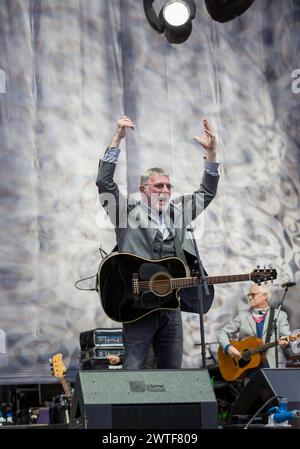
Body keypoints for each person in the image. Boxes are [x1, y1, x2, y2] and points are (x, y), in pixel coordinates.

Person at [96, 115, 220, 369]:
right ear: (143, 190)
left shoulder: (179, 212)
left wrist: (212, 153)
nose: (164, 190)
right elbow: (104, 183)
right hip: (137, 302)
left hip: (169, 301)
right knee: (135, 368)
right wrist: (117, 139)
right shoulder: (126, 212)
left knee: (172, 369)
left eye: (168, 186)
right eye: (158, 186)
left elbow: (206, 192)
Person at [216, 283, 291, 376]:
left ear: (265, 296)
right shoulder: (242, 316)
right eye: (249, 295)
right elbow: (221, 332)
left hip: (273, 366)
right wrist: (228, 347)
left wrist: (285, 343)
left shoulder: (280, 315)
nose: (250, 297)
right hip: (250, 369)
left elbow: (286, 337)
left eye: (253, 294)